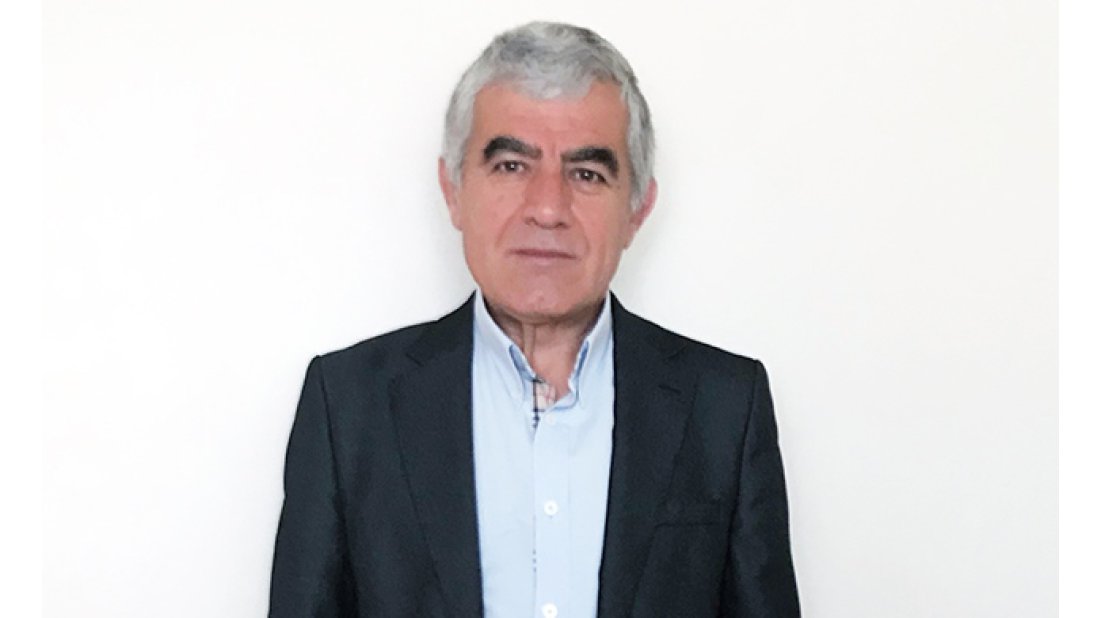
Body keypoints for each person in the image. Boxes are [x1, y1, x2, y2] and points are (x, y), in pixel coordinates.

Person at [269, 21, 799, 618]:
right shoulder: (348, 406)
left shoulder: (724, 408)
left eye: (586, 174)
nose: (548, 208)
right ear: (453, 190)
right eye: (511, 166)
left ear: (638, 208)